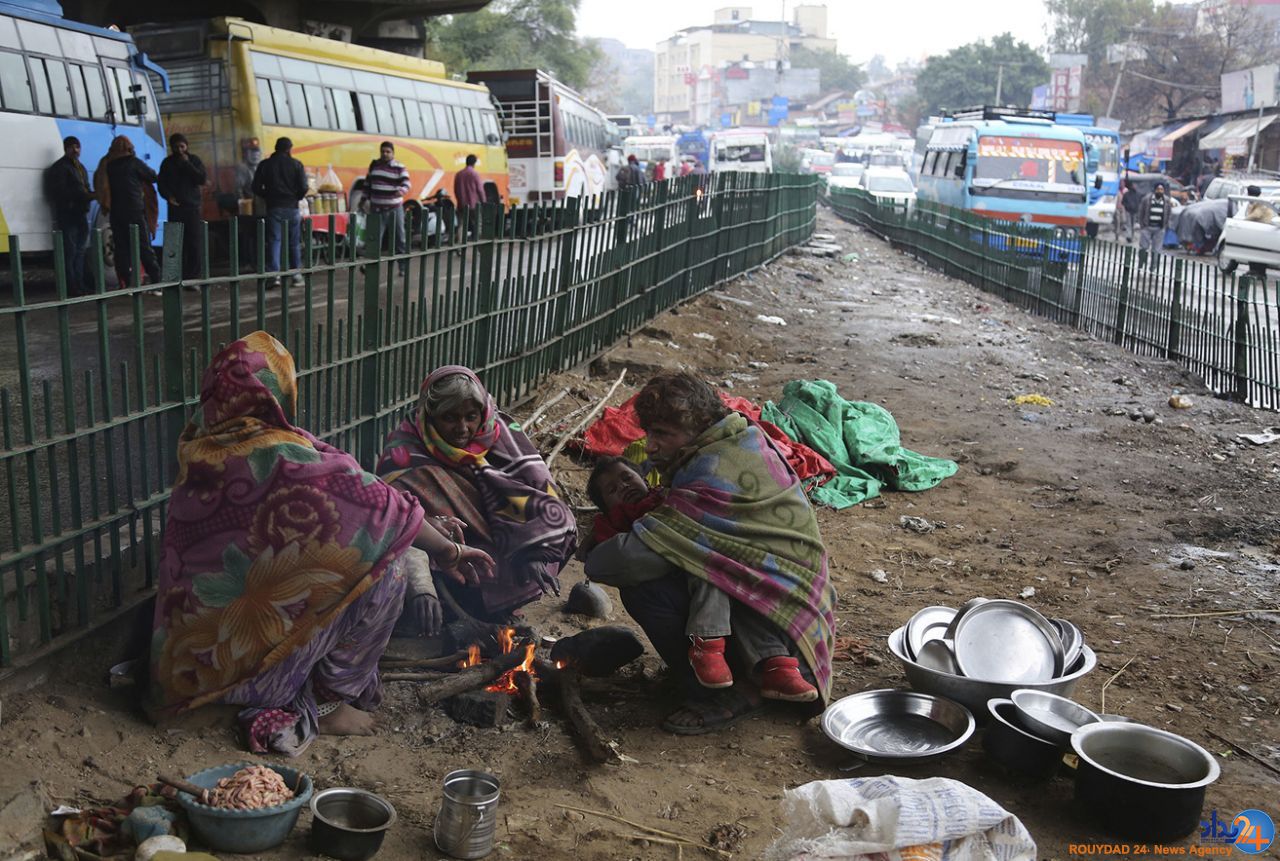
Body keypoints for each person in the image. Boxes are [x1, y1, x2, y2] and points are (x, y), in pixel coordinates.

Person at [148, 331, 494, 756]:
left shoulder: (199, 446)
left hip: (184, 664)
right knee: (388, 568)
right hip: (248, 666)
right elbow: (381, 508)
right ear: (278, 390)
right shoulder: (279, 454)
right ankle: (328, 702)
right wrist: (448, 549)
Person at [584, 372, 835, 734]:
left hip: (790, 649)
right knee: (692, 563)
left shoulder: (712, 468)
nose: (650, 447)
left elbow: (626, 560)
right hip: (794, 632)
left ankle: (732, 692)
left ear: (698, 426)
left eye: (662, 434)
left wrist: (594, 553)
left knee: (648, 585)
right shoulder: (741, 441)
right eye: (649, 433)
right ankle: (725, 670)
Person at [376, 366, 577, 630]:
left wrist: (534, 549)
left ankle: (502, 607)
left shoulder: (501, 431)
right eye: (450, 418)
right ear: (430, 415)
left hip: (508, 543)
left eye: (470, 417)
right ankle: (450, 612)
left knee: (558, 527)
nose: (462, 428)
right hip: (446, 558)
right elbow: (400, 520)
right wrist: (422, 587)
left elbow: (541, 492)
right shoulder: (404, 452)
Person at [95, 135, 160, 287]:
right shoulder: (134, 162)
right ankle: (156, 280)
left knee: (122, 248)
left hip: (116, 213)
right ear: (129, 148)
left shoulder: (108, 165)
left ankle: (126, 282)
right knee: (144, 246)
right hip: (135, 211)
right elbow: (152, 176)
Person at [252, 137, 307, 287]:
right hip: (292, 208)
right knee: (293, 243)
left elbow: (255, 187)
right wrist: (296, 197)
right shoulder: (296, 164)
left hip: (274, 207)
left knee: (275, 241)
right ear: (289, 149)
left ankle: (274, 275)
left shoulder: (265, 165)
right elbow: (304, 187)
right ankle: (296, 275)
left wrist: (268, 196)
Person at [45, 136, 94, 294]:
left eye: (77, 147)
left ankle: (78, 284)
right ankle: (71, 285)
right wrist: (82, 194)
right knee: (71, 251)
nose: (76, 150)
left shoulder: (80, 167)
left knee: (79, 251)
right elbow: (59, 192)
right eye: (72, 147)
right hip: (68, 214)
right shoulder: (60, 167)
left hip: (80, 213)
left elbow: (85, 187)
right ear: (65, 148)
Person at [157, 133, 208, 280]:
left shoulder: (194, 160)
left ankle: (192, 276)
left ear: (187, 146)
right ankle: (173, 275)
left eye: (182, 146)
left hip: (192, 207)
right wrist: (168, 196)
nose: (179, 150)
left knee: (193, 242)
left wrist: (187, 164)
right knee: (174, 242)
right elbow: (161, 183)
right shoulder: (167, 163)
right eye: (176, 147)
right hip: (175, 208)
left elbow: (201, 179)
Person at [365, 141, 411, 275]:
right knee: (374, 239)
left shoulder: (399, 167)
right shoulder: (374, 166)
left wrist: (401, 190)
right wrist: (364, 200)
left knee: (400, 238)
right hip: (376, 209)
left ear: (393, 153)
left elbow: (407, 183)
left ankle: (403, 267)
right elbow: (367, 184)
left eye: (388, 152)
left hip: (394, 208)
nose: (385, 154)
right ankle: (371, 267)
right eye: (383, 151)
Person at [1137, 182, 1170, 273]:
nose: (1160, 191)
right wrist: (1142, 226)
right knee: (1143, 247)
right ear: (1155, 190)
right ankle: (1141, 264)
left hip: (1159, 228)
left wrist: (1165, 226)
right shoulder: (1147, 199)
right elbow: (1141, 212)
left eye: (1162, 189)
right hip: (1147, 227)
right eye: (1158, 189)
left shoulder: (1166, 201)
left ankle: (1153, 267)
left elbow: (1168, 214)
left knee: (1156, 250)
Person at [453, 154, 485, 239]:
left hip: (462, 204)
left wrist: (459, 200)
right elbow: (480, 190)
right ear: (474, 163)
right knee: (478, 223)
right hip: (473, 204)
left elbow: (455, 189)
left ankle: (459, 245)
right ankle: (477, 243)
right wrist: (484, 201)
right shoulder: (474, 174)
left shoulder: (459, 174)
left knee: (461, 224)